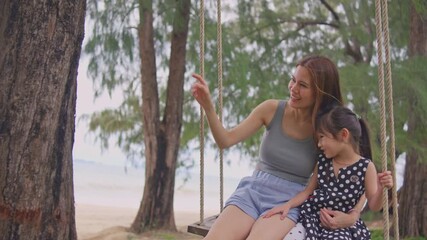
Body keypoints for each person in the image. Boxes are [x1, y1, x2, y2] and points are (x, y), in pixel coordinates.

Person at [191, 55, 364, 240]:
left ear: (319, 93)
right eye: (293, 80)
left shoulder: (325, 131)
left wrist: (353, 215)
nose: (293, 88)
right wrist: (208, 107)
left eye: (303, 85)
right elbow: (225, 140)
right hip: (252, 191)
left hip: (288, 201)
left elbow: (355, 170)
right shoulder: (271, 109)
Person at [264, 106, 393, 239]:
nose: (319, 144)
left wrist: (382, 188)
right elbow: (307, 192)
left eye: (322, 137)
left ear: (343, 135)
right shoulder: (323, 162)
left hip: (343, 227)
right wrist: (287, 205)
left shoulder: (366, 167)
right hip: (313, 220)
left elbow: (374, 205)